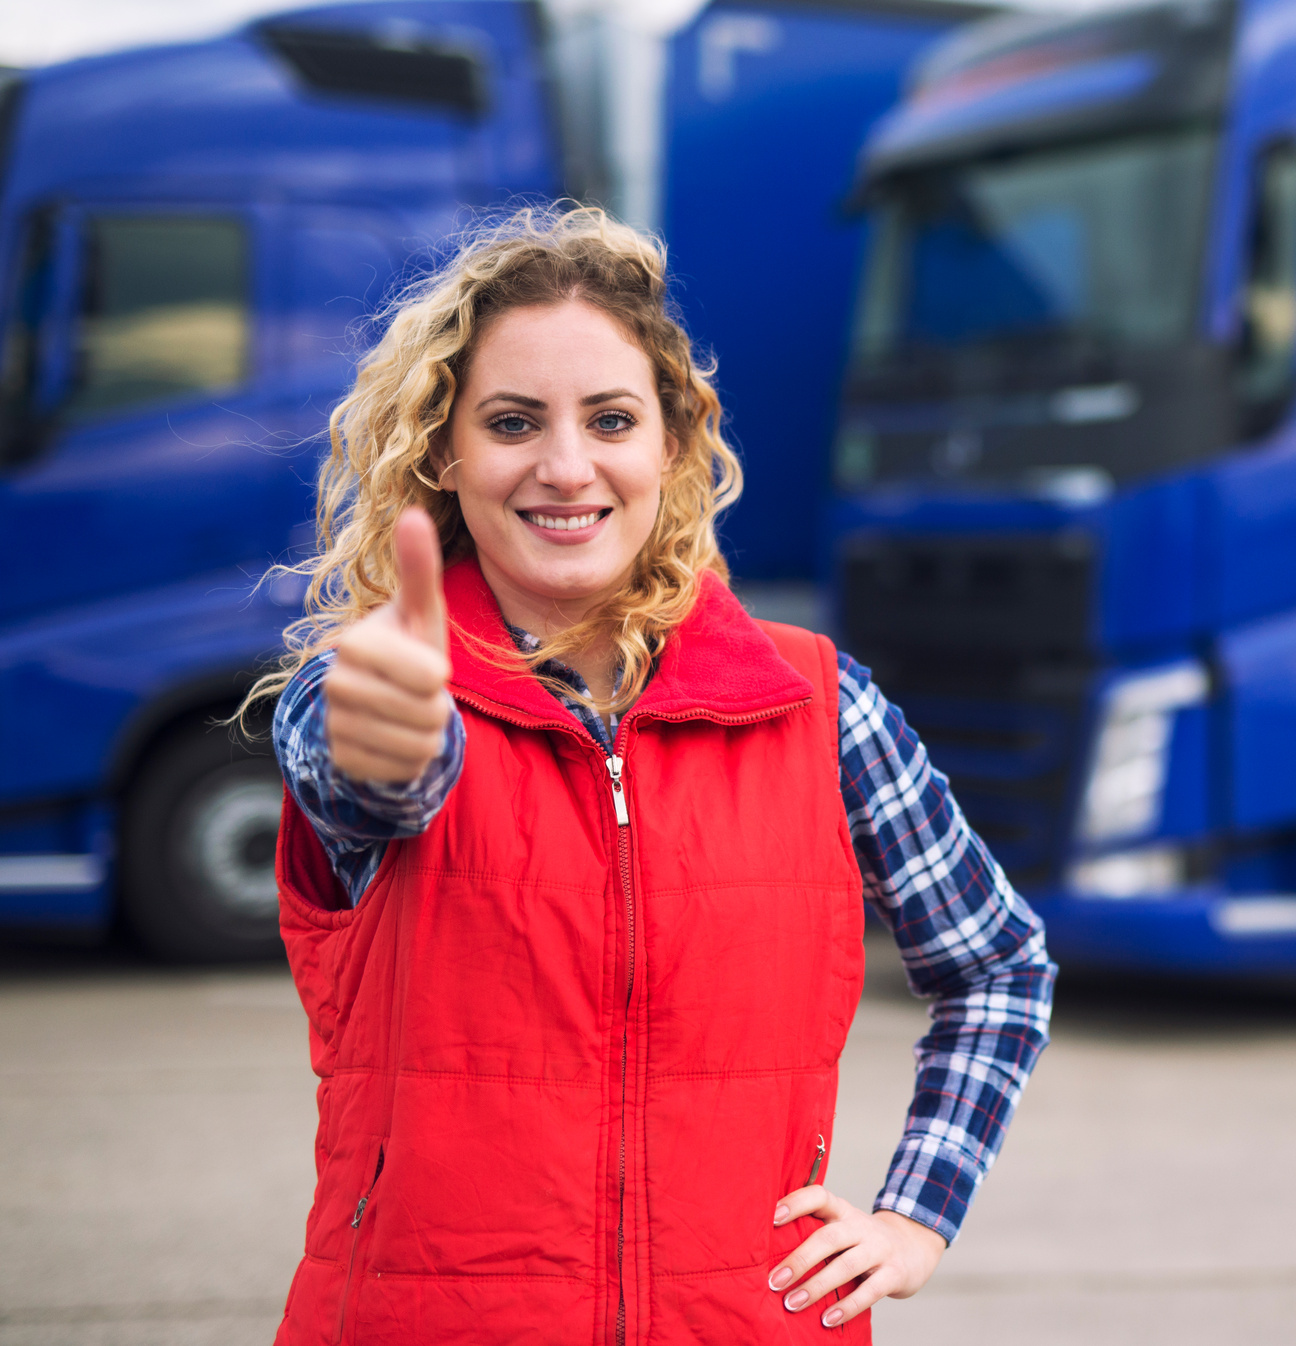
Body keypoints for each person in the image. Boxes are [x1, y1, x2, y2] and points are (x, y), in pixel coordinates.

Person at [245, 207, 1053, 1344]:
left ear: (670, 442)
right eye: (513, 422)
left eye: (610, 419)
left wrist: (914, 1215)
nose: (565, 466)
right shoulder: (367, 693)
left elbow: (1001, 966)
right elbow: (374, 784)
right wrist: (396, 732)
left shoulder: (819, 702)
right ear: (444, 451)